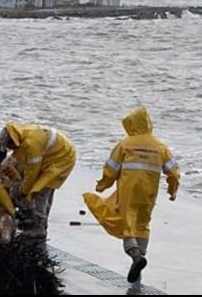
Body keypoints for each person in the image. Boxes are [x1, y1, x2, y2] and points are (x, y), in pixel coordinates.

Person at [83, 107, 180, 284]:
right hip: (149, 193)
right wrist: (172, 190)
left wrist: (102, 185)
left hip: (128, 191)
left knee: (126, 224)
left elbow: (111, 169)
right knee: (142, 224)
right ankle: (140, 260)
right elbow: (173, 172)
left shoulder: (125, 144)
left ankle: (136, 256)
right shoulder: (160, 147)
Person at [0, 122, 76, 241]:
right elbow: (18, 158)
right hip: (52, 156)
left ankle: (38, 229)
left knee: (41, 190)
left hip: (61, 159)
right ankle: (39, 222)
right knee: (38, 190)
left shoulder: (31, 143)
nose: (10, 149)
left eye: (9, 146)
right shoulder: (23, 135)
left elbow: (32, 173)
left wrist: (24, 191)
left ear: (13, 141)